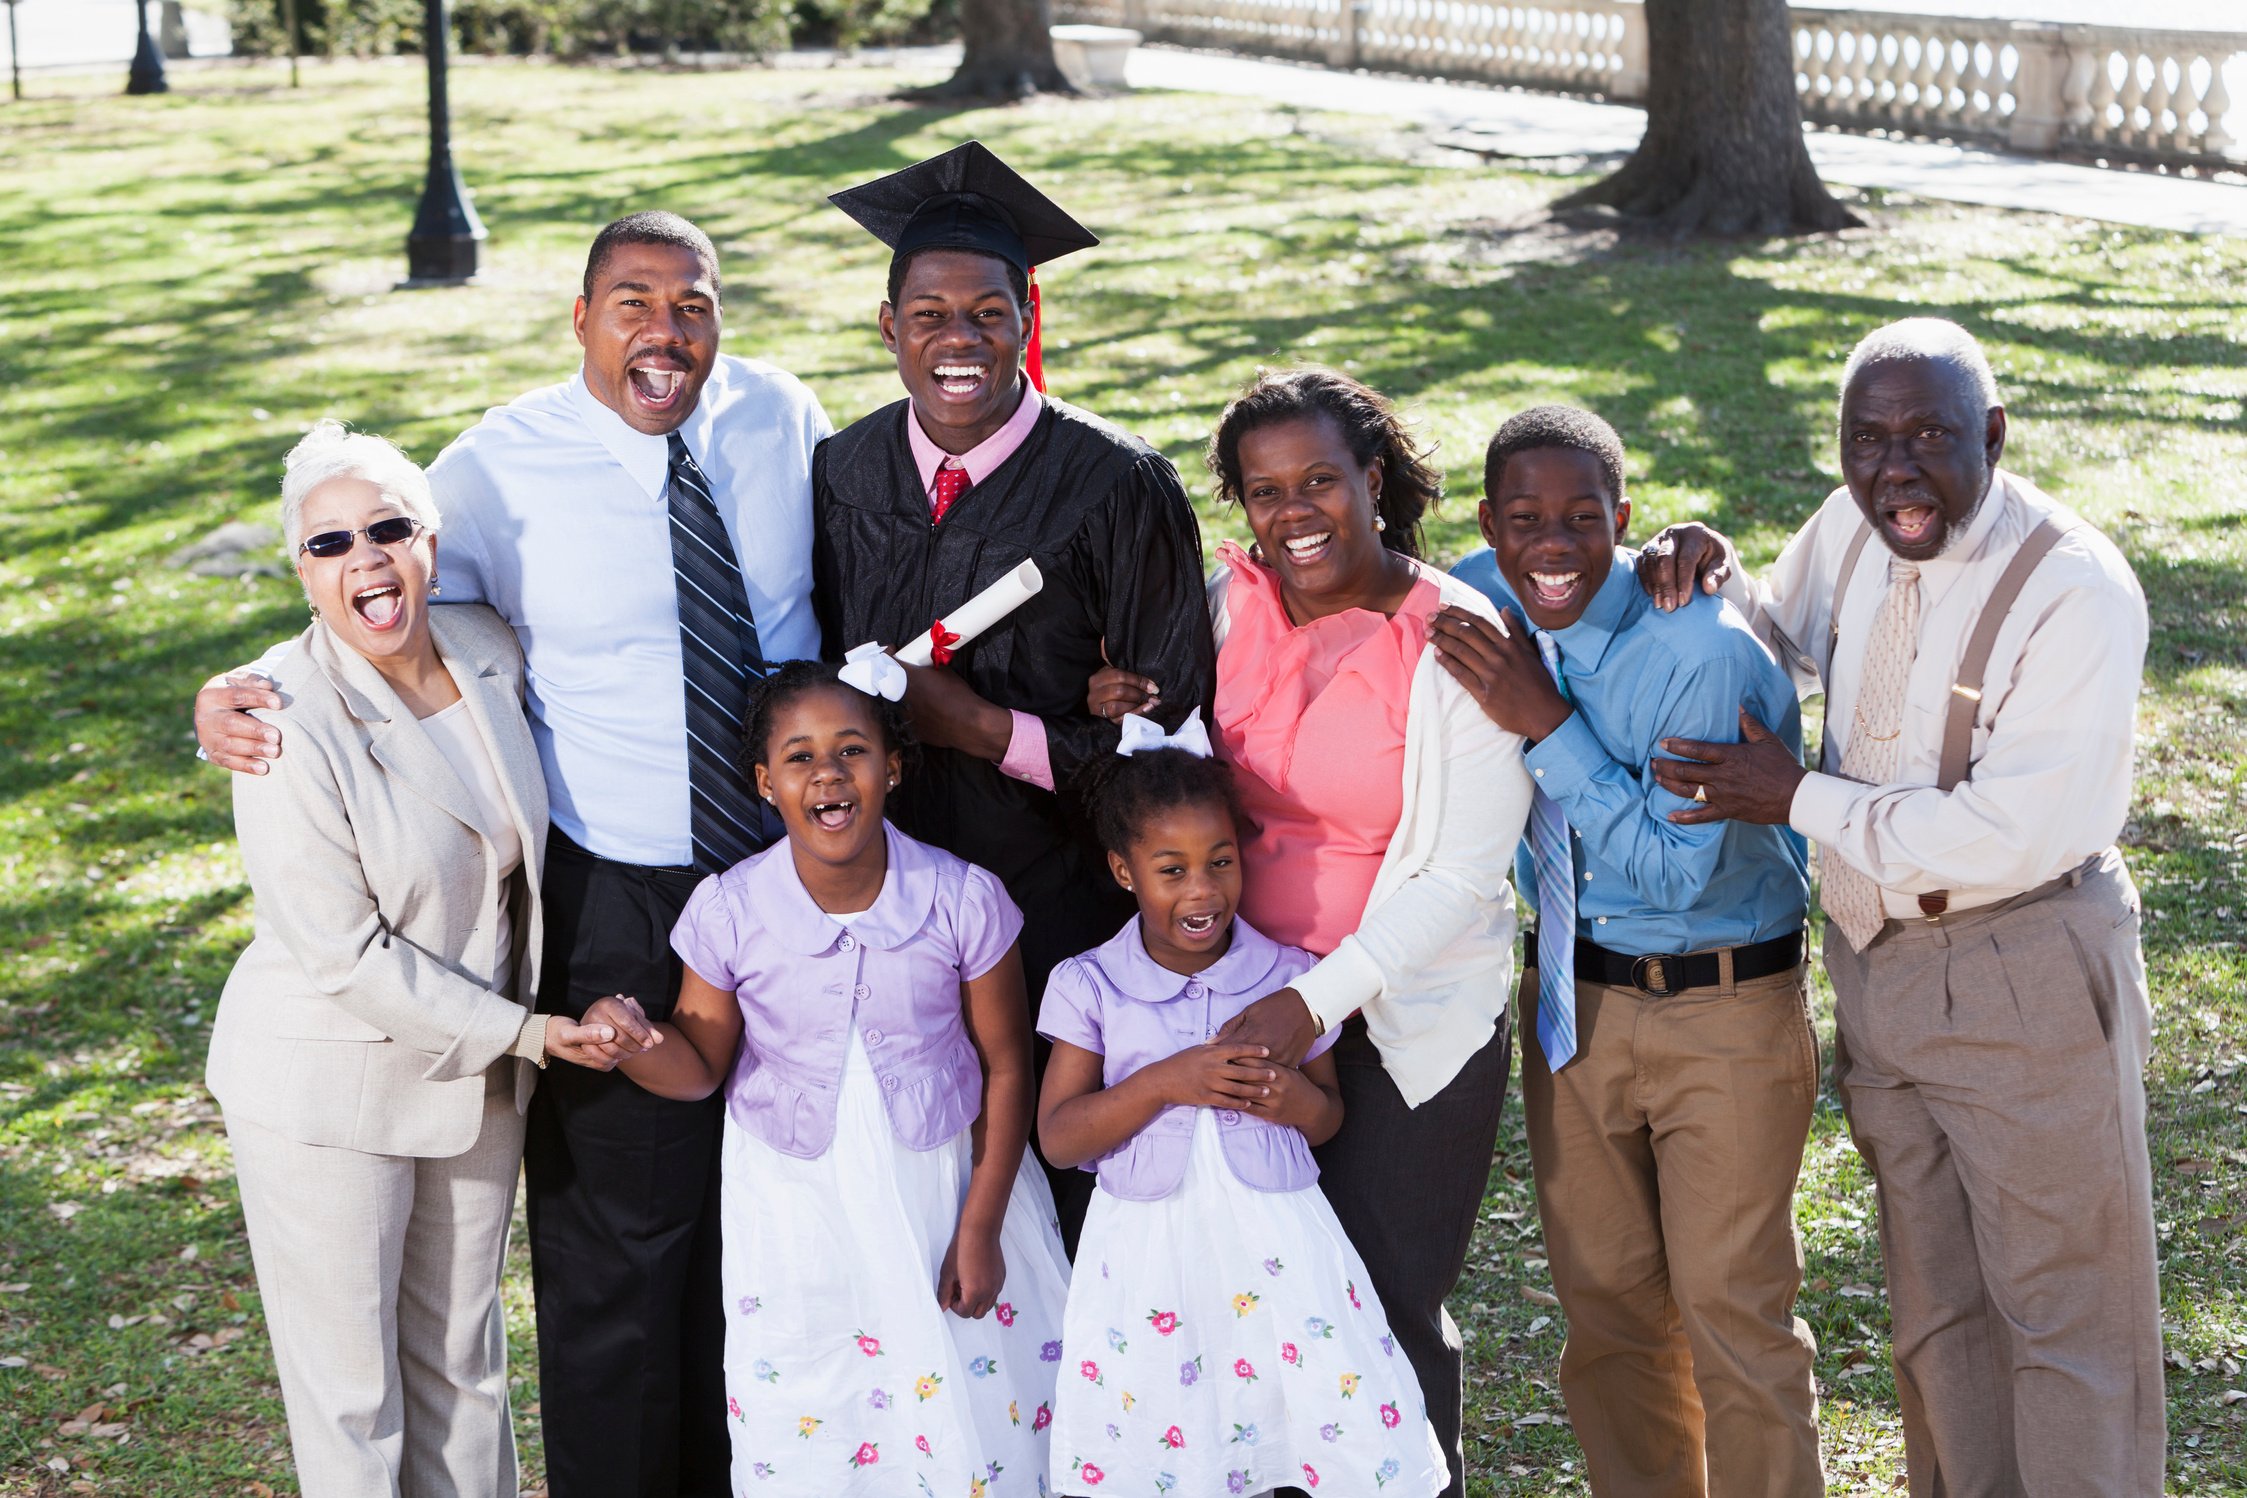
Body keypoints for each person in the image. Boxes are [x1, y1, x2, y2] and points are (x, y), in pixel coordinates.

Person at [193, 213, 831, 1498]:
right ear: (581, 319)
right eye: (632, 302)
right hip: (614, 894)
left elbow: (415, 603)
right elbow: (364, 591)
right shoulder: (494, 467)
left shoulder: (781, 417)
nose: (665, 331)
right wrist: (237, 689)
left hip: (788, 879)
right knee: (615, 1259)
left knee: (777, 1217)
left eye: (692, 303)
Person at [1640, 318, 2162, 1495]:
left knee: (2069, 1325)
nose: (1896, 469)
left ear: (1993, 434)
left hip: (2022, 955)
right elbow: (1785, 643)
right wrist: (1713, 571)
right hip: (1878, 969)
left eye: (1930, 436)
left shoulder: (2072, 588)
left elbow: (2007, 829)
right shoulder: (1852, 528)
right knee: (1937, 1314)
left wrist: (1799, 796)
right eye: (1867, 440)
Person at [1090, 366, 1534, 1498]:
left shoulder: (1457, 638)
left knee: (1378, 1311)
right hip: (1239, 1006)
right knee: (1259, 1310)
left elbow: (1460, 878)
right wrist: (1130, 715)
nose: (1294, 513)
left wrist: (1310, 1004)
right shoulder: (1231, 603)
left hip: (1400, 1024)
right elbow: (1178, 766)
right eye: (1264, 489)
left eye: (1320, 481)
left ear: (1373, 480)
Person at [208, 421, 629, 1497]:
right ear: (302, 574)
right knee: (353, 1398)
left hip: (476, 1079)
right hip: (326, 1081)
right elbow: (346, 954)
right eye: (330, 544)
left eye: (388, 529)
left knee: (465, 1372)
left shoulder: (491, 643)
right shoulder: (279, 716)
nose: (367, 561)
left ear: (431, 540)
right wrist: (533, 1033)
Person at [812, 144, 1217, 1237]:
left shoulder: (1115, 484)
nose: (960, 341)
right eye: (930, 314)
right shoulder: (843, 475)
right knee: (919, 1188)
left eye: (988, 312)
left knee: (1075, 1193)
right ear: (886, 326)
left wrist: (987, 729)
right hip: (888, 900)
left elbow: (1173, 749)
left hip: (1062, 900)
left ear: (1029, 314)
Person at [1432, 406, 1822, 1497]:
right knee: (1605, 1315)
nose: (1552, 545)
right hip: (1572, 1006)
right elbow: (1366, 591)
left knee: (1733, 1313)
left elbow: (1667, 871)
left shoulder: (1696, 648)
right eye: (1525, 519)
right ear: (1489, 525)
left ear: (1625, 520)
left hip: (1723, 1009)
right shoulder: (1480, 594)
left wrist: (1544, 720)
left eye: (1581, 520)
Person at [574, 658, 1071, 1496]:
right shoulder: (730, 910)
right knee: (825, 1399)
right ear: (766, 784)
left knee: (972, 1391)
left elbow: (1009, 1064)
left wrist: (981, 1226)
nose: (829, 774)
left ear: (894, 767)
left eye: (852, 751)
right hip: (799, 1205)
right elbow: (697, 1069)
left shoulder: (961, 898)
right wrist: (629, 1040)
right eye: (799, 758)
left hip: (946, 1189)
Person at [1036, 730, 1448, 1498]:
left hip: (1276, 1254)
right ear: (1124, 872)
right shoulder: (1089, 984)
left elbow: (1324, 1118)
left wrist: (1296, 1101)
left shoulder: (1291, 979)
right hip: (1149, 1261)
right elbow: (1059, 1138)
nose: (1202, 891)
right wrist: (1165, 1081)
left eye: (1220, 862)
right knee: (1174, 1421)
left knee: (1292, 1412)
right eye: (1171, 871)